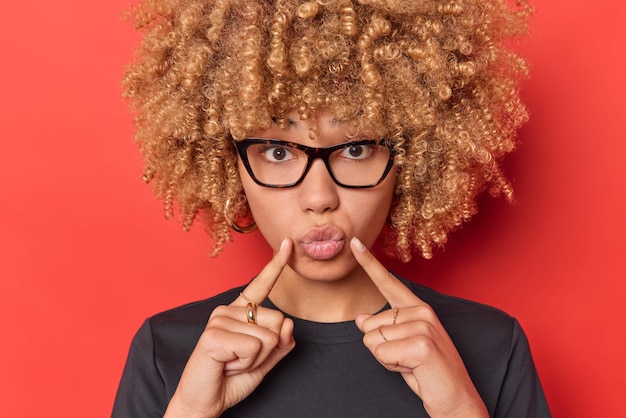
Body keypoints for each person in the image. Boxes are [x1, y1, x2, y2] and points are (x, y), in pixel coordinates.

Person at [112, 0, 550, 417]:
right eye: (278, 152)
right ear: (230, 166)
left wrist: (459, 410)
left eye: (356, 148)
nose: (319, 197)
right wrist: (189, 412)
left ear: (412, 159)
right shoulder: (168, 351)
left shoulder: (490, 347)